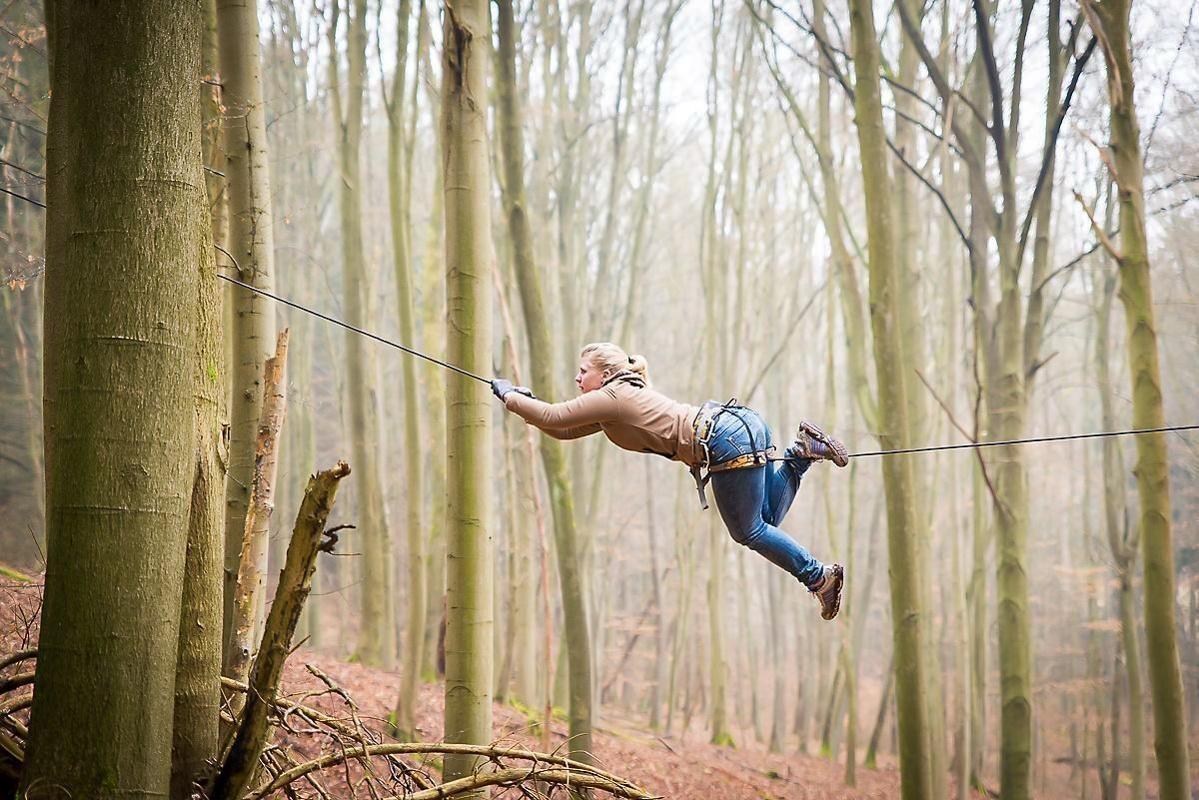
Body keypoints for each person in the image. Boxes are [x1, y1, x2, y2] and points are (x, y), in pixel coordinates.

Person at [491, 342, 848, 620]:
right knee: (764, 522)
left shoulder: (613, 397)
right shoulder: (616, 399)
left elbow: (554, 416)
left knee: (749, 532)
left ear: (605, 374)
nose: (577, 378)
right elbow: (563, 429)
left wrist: (509, 396)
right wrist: (526, 404)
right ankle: (801, 453)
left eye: (583, 371)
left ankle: (819, 577)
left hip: (721, 440)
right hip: (739, 425)